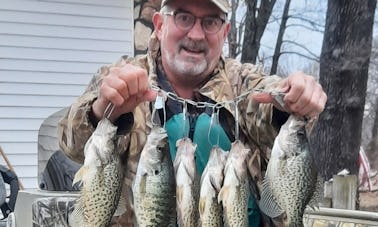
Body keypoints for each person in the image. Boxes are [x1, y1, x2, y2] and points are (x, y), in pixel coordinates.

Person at [57, 0, 327, 226]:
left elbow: (270, 99)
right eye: (184, 17)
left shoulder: (242, 82)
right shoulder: (124, 77)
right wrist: (101, 110)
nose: (196, 35)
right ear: (160, 25)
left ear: (225, 31)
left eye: (210, 22)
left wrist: (295, 97)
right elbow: (71, 144)